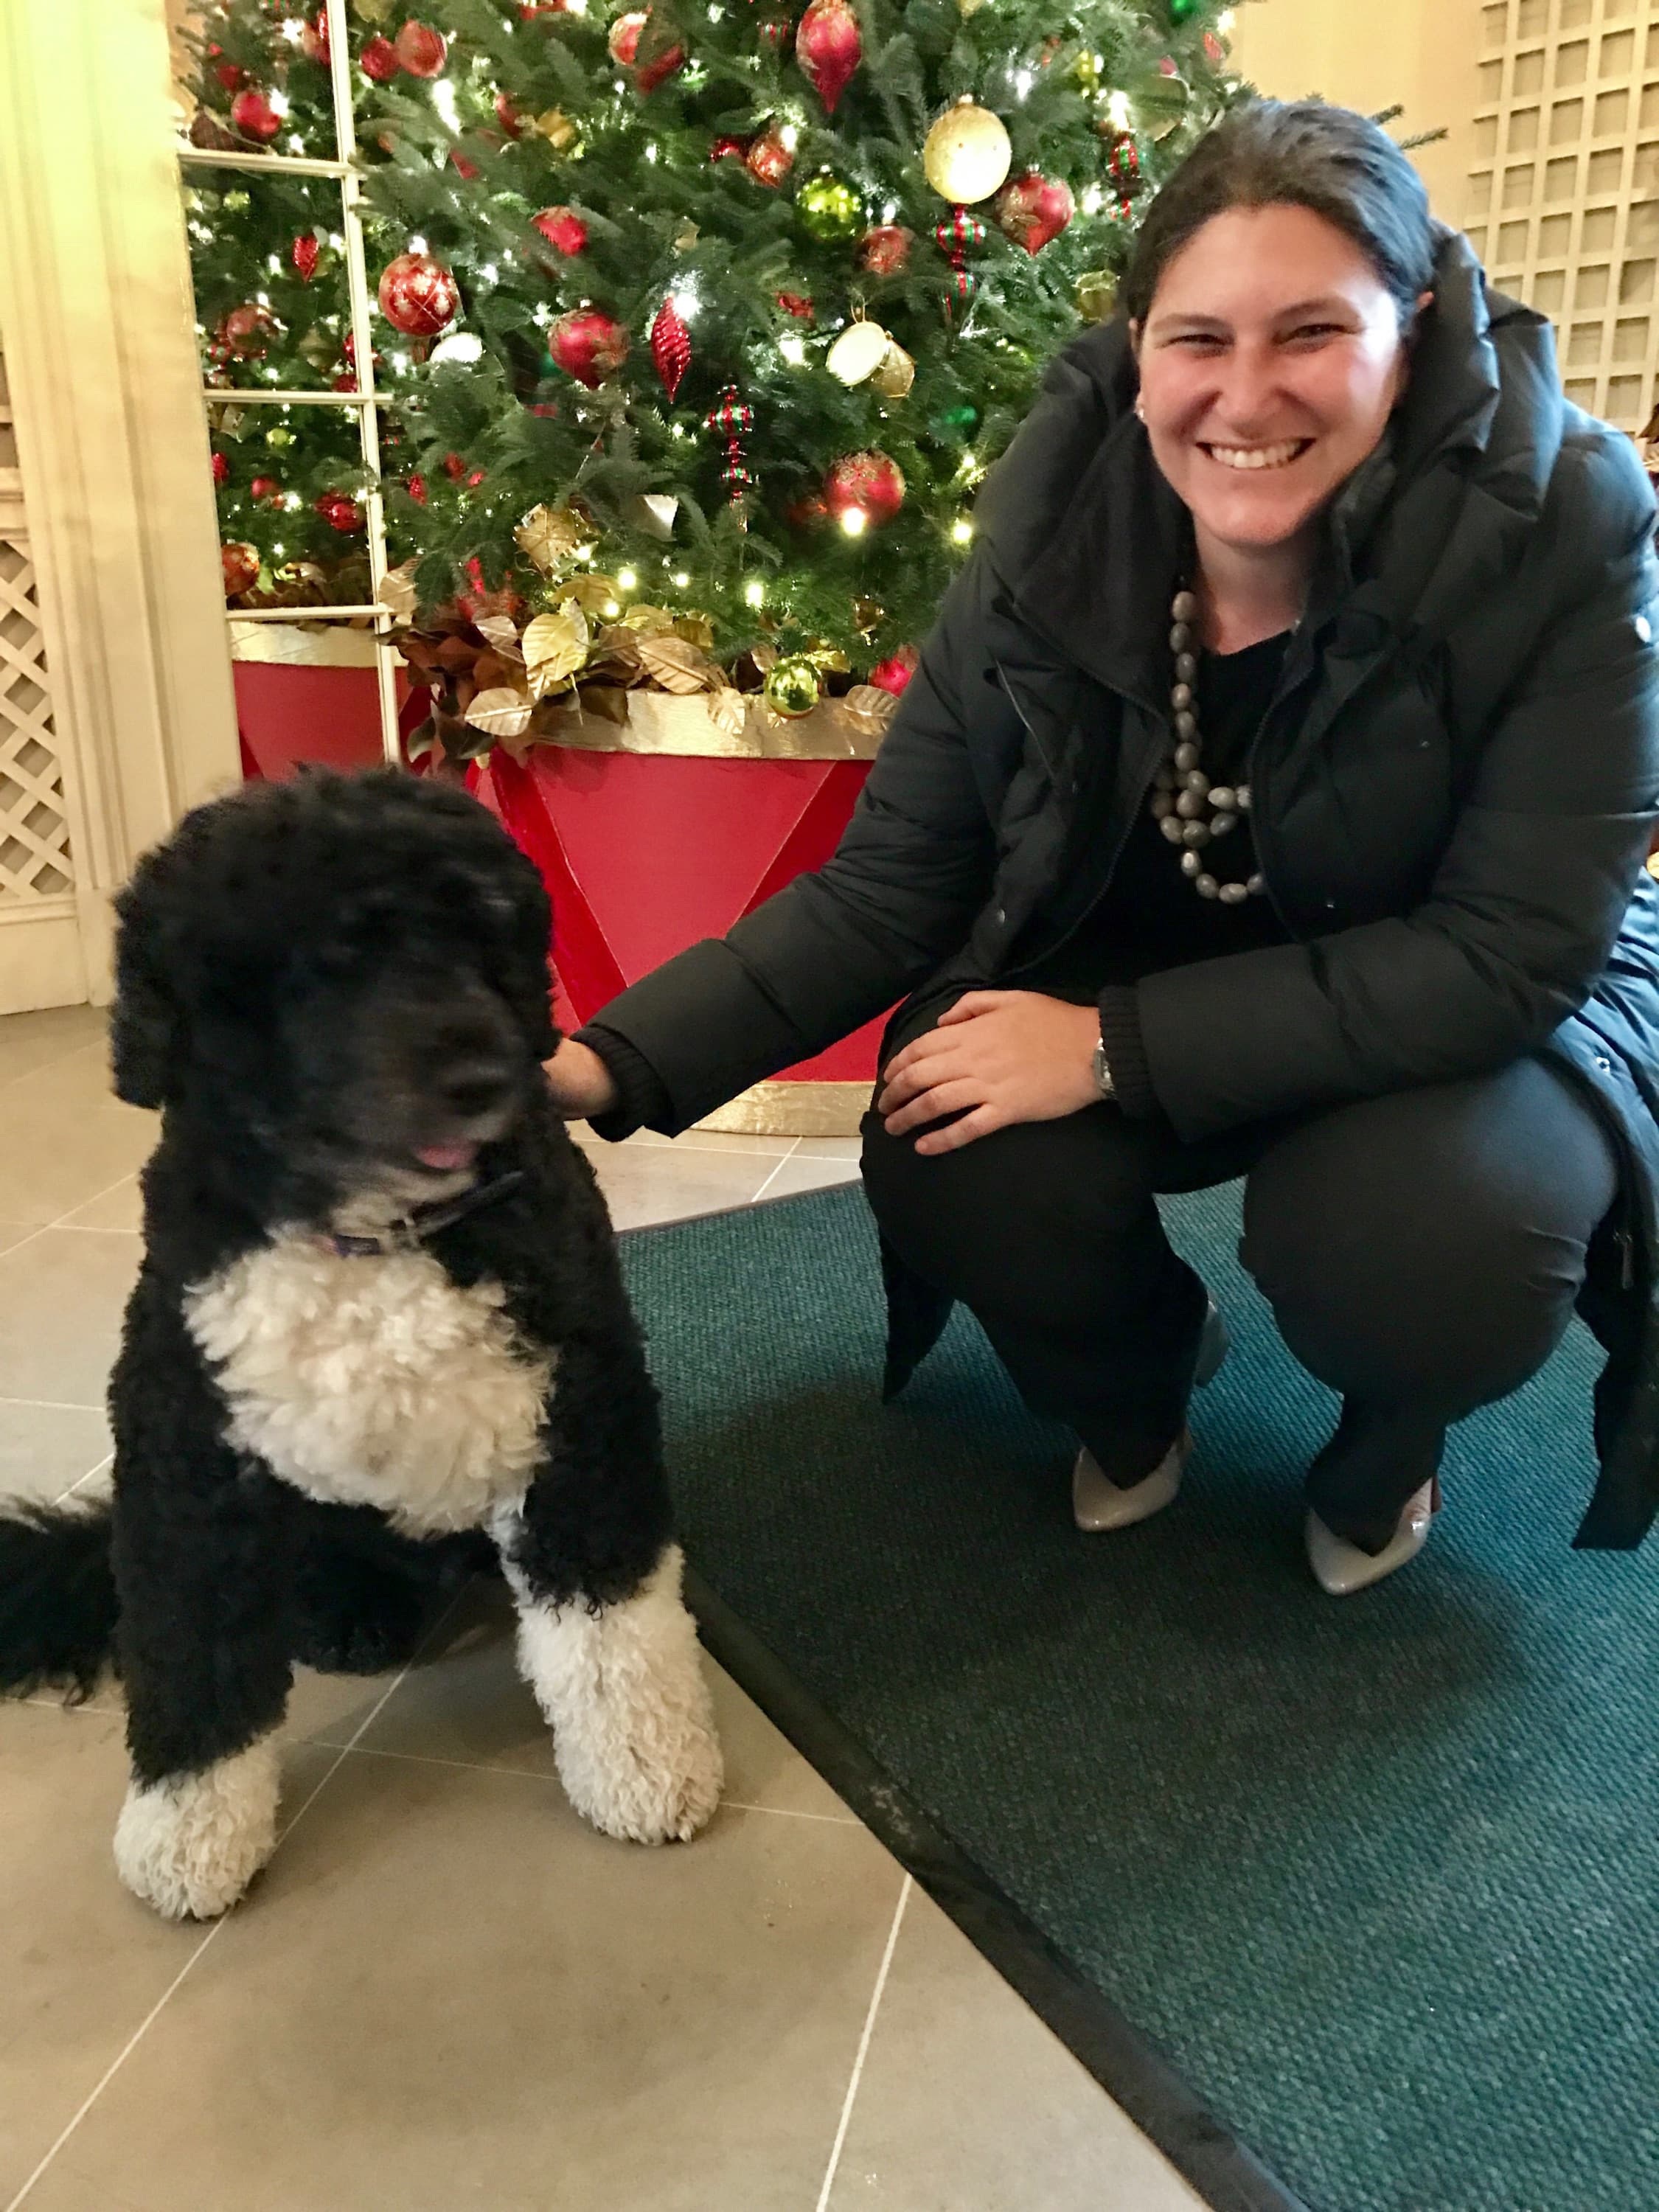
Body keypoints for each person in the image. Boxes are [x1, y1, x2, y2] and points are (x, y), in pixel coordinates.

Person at [546, 100, 1659, 1594]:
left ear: (1417, 327)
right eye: (1200, 338)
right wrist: (608, 1062)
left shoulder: (1565, 519)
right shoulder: (1051, 525)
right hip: (1136, 959)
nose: (1246, 396)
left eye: (1312, 332)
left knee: (1434, 1246)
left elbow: (1508, 948)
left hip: (1468, 1006)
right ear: (1139, 346)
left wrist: (1117, 1052)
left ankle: (1389, 1448)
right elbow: (891, 886)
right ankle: (1138, 1395)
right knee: (944, 1138)